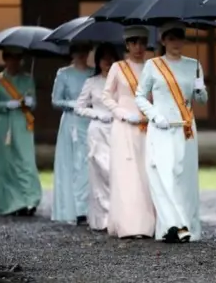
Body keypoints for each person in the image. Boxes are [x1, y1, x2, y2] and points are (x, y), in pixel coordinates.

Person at [135, 20, 208, 243]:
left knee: (184, 178)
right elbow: (139, 95)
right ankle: (174, 226)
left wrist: (200, 89)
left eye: (180, 37)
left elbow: (202, 101)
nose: (176, 42)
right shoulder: (153, 65)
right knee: (163, 176)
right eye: (171, 38)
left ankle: (187, 225)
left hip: (185, 129)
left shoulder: (194, 64)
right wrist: (155, 115)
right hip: (161, 128)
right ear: (163, 40)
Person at [101, 26, 156, 239]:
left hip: (146, 124)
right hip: (123, 125)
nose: (138, 47)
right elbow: (106, 96)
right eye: (134, 43)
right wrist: (122, 113)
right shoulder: (118, 67)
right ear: (127, 45)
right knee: (126, 174)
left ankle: (148, 223)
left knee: (145, 173)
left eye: (142, 42)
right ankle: (129, 225)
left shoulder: (152, 66)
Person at [0, 47, 41, 216]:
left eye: (18, 58)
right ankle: (9, 203)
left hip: (22, 122)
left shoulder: (27, 79)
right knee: (4, 163)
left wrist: (30, 102)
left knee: (25, 161)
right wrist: (5, 105)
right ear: (5, 59)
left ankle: (30, 200)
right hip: (3, 124)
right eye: (12, 58)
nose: (16, 62)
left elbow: (34, 103)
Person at [75, 43, 119, 231]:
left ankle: (117, 217)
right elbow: (79, 107)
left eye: (111, 58)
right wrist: (96, 114)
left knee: (116, 172)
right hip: (98, 131)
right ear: (98, 61)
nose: (107, 62)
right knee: (100, 171)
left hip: (117, 129)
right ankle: (101, 219)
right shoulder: (91, 83)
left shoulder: (120, 81)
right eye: (103, 58)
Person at [50, 43, 95, 225]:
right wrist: (73, 104)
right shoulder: (64, 73)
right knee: (72, 162)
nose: (82, 54)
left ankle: (85, 208)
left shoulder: (92, 73)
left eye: (85, 50)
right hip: (71, 122)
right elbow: (55, 100)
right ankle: (72, 208)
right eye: (78, 51)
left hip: (89, 120)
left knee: (87, 163)